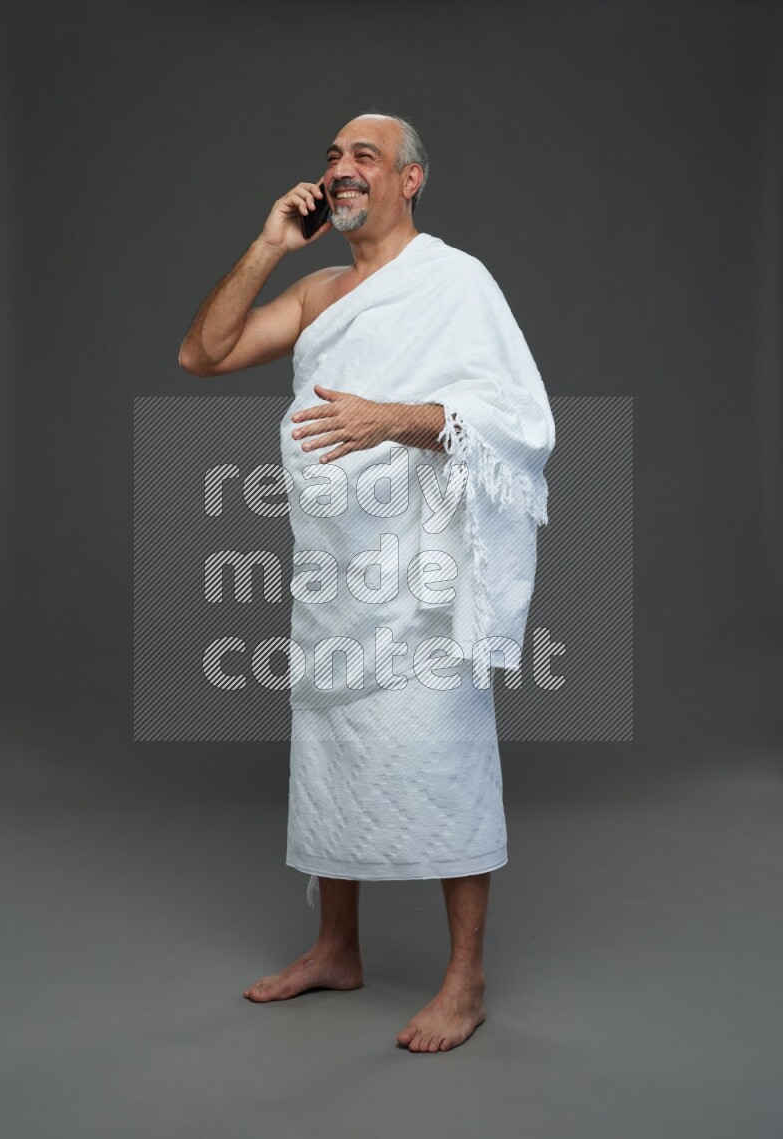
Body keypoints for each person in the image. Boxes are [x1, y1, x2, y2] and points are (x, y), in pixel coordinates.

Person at [178, 111, 555, 1053]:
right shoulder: (319, 292)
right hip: (333, 566)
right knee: (332, 754)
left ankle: (464, 980)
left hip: (422, 575)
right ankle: (335, 947)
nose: (342, 171)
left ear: (410, 179)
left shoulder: (456, 282)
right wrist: (268, 245)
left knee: (447, 761)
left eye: (365, 157)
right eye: (334, 157)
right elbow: (204, 352)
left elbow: (516, 421)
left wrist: (391, 418)